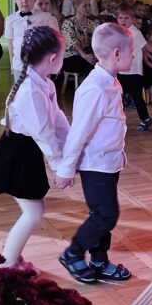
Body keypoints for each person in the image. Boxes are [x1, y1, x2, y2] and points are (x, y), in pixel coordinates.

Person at [0, 27, 69, 271]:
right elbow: (43, 132)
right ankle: (7, 263)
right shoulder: (30, 90)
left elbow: (57, 120)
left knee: (35, 211)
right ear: (53, 58)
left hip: (26, 151)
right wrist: (59, 165)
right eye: (63, 54)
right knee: (33, 213)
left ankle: (11, 259)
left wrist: (71, 147)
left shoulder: (45, 84)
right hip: (16, 153)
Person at [56, 23, 134, 284]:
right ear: (117, 54)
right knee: (106, 215)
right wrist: (66, 169)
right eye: (131, 51)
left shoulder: (111, 82)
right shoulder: (95, 88)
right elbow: (78, 132)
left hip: (109, 162)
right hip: (95, 164)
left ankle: (99, 261)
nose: (134, 55)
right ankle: (73, 253)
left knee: (101, 214)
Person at [6, 0, 58, 81]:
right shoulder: (10, 19)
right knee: (20, 90)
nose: (24, 1)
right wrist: (12, 64)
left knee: (43, 90)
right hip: (19, 66)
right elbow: (11, 42)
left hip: (41, 66)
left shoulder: (46, 17)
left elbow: (56, 41)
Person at [117, 5, 152, 131]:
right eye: (120, 18)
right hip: (121, 71)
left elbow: (146, 47)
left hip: (133, 72)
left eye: (126, 18)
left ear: (132, 20)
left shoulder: (135, 32)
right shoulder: (120, 32)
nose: (123, 20)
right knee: (118, 96)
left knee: (137, 96)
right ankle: (118, 120)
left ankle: (146, 119)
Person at [61, 0, 99, 76]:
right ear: (76, 7)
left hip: (88, 54)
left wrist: (96, 55)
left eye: (89, 5)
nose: (88, 8)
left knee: (103, 63)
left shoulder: (93, 24)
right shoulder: (68, 23)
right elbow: (73, 43)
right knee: (90, 66)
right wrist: (84, 55)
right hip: (70, 56)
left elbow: (99, 40)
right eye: (85, 6)